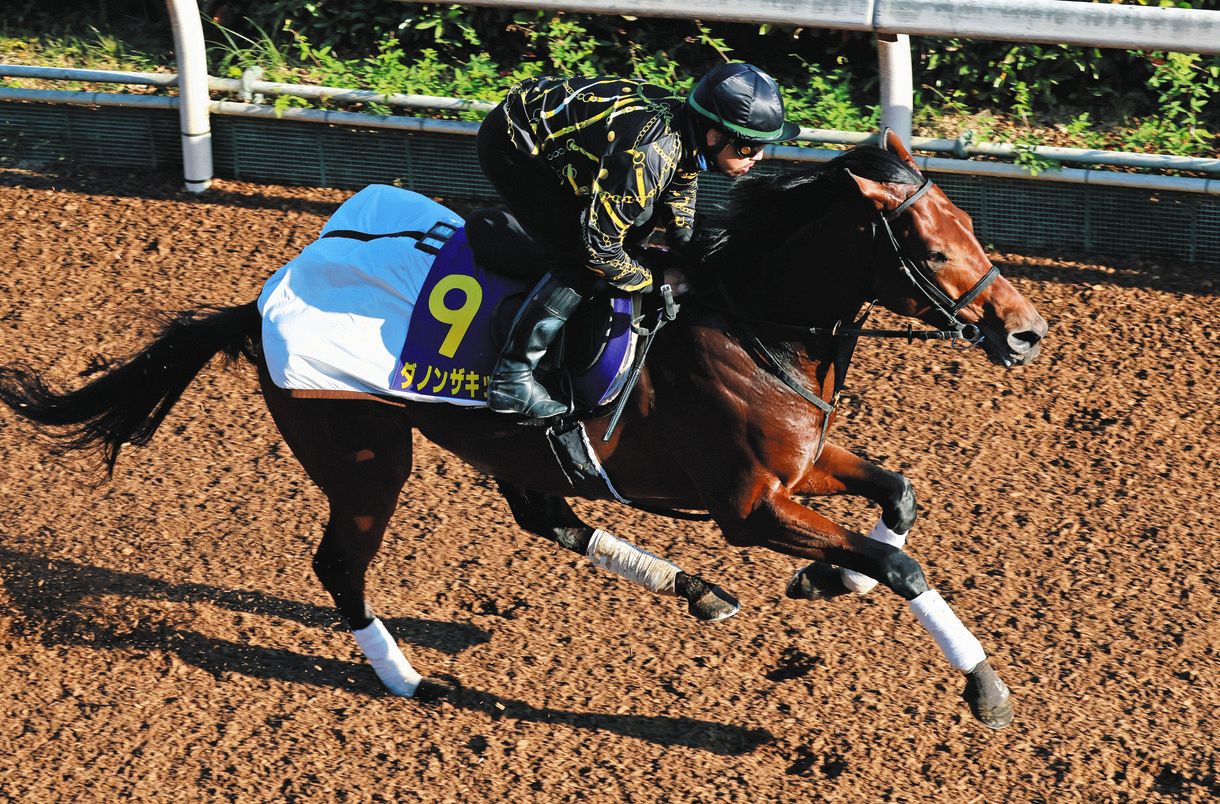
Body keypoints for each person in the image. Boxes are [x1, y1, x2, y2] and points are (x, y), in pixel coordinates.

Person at [476, 62, 801, 418]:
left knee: (637, 219)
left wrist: (686, 242)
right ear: (713, 136)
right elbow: (598, 251)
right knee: (574, 260)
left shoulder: (686, 129)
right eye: (747, 148)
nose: (758, 157)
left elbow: (680, 179)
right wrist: (658, 281)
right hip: (515, 146)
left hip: (572, 140)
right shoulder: (646, 156)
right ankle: (512, 377)